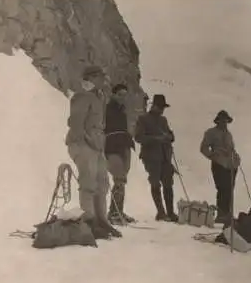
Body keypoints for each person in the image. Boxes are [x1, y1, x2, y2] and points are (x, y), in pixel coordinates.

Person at [65, 65, 122, 238]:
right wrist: (87, 141)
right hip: (82, 144)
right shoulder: (82, 96)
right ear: (92, 78)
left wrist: (97, 145)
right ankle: (89, 223)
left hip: (96, 146)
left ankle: (101, 221)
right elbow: (75, 124)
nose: (104, 80)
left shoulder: (98, 97)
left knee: (102, 183)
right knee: (88, 183)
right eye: (100, 77)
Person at [134, 94, 179, 222]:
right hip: (150, 157)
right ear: (153, 106)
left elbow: (170, 136)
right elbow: (138, 137)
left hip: (165, 156)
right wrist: (157, 139)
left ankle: (170, 212)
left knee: (168, 183)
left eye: (163, 107)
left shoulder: (163, 120)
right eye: (160, 107)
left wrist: (169, 136)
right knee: (155, 183)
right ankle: (160, 212)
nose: (161, 110)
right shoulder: (143, 119)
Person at [200, 110, 241, 223]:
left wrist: (236, 157)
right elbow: (203, 148)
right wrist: (213, 156)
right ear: (217, 121)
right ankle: (221, 214)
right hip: (218, 164)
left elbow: (232, 148)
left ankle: (228, 214)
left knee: (229, 189)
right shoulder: (210, 133)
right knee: (222, 188)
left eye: (226, 121)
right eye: (222, 121)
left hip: (230, 165)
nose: (224, 123)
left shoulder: (228, 134)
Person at [104, 83, 137, 225]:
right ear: (113, 94)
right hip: (111, 147)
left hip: (124, 146)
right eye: (120, 95)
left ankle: (117, 211)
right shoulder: (107, 109)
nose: (122, 98)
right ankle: (114, 213)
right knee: (119, 178)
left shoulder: (123, 111)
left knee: (122, 179)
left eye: (125, 95)